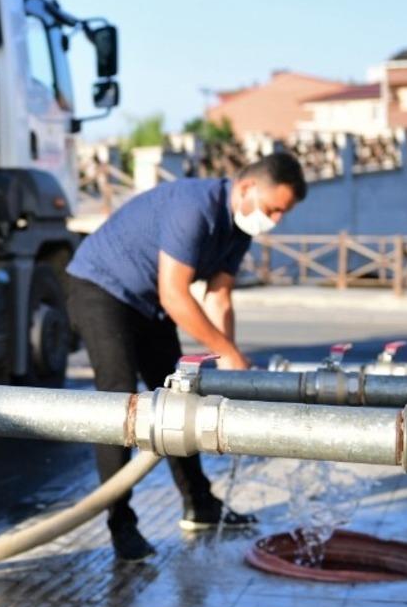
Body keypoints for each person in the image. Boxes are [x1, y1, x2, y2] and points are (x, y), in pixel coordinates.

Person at [66, 153, 307, 561]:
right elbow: (175, 295)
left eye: (283, 212)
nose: (276, 219)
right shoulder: (195, 208)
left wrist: (230, 366)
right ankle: (120, 523)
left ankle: (200, 504)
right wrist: (228, 353)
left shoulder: (239, 229)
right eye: (274, 209)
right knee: (120, 402)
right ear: (247, 188)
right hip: (99, 288)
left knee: (179, 401)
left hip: (147, 305)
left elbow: (218, 296)